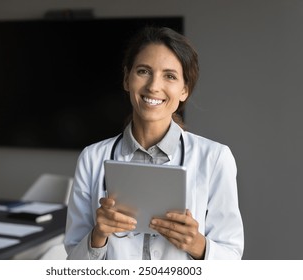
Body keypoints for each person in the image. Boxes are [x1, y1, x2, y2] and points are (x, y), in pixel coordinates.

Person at [64, 26, 244, 260]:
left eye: (169, 76)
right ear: (127, 79)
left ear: (184, 90)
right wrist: (99, 235)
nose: (153, 86)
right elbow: (72, 261)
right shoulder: (92, 158)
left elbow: (231, 257)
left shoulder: (215, 158)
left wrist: (198, 245)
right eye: (143, 71)